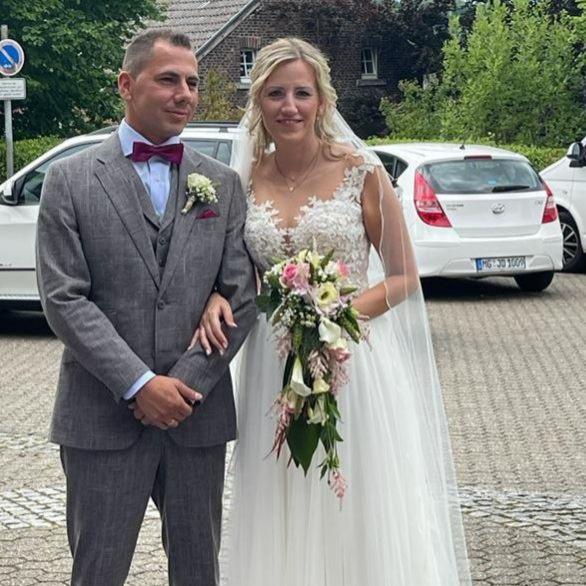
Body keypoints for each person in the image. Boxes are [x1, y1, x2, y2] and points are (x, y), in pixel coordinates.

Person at [192, 38, 472, 585]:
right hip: (273, 366)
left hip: (350, 361)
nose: (289, 106)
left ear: (322, 100)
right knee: (281, 492)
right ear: (258, 101)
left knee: (352, 499)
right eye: (275, 93)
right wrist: (216, 295)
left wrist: (332, 318)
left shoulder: (361, 171)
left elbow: (403, 276)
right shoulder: (242, 180)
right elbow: (231, 271)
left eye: (301, 93)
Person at [35, 29, 257, 586]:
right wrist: (140, 385)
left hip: (195, 415)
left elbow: (241, 295)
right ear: (126, 85)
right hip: (101, 415)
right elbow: (64, 297)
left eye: (193, 82)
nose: (185, 94)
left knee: (198, 571)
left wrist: (183, 386)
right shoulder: (69, 180)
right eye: (168, 80)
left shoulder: (222, 183)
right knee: (98, 571)